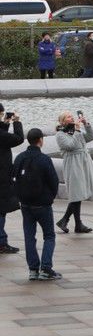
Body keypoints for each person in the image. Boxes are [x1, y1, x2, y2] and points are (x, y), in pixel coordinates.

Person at [13, 128, 60, 280]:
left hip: (25, 204)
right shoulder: (44, 159)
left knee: (29, 236)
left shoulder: (20, 157)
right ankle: (46, 268)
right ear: (40, 140)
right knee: (49, 236)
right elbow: (53, 181)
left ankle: (33, 269)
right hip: (42, 204)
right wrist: (50, 197)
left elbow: (14, 178)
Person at [54, 111, 93, 234]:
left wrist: (86, 124)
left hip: (82, 162)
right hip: (73, 164)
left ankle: (73, 223)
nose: (71, 117)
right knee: (76, 193)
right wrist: (77, 131)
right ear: (62, 121)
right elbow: (71, 145)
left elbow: (91, 137)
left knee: (78, 193)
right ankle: (71, 222)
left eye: (72, 116)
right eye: (68, 117)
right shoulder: (60, 134)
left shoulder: (75, 131)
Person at [0, 106, 24, 254]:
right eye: (1, 114)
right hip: (2, 178)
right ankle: (1, 242)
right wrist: (16, 122)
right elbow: (18, 138)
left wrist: (5, 123)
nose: (2, 116)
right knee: (1, 211)